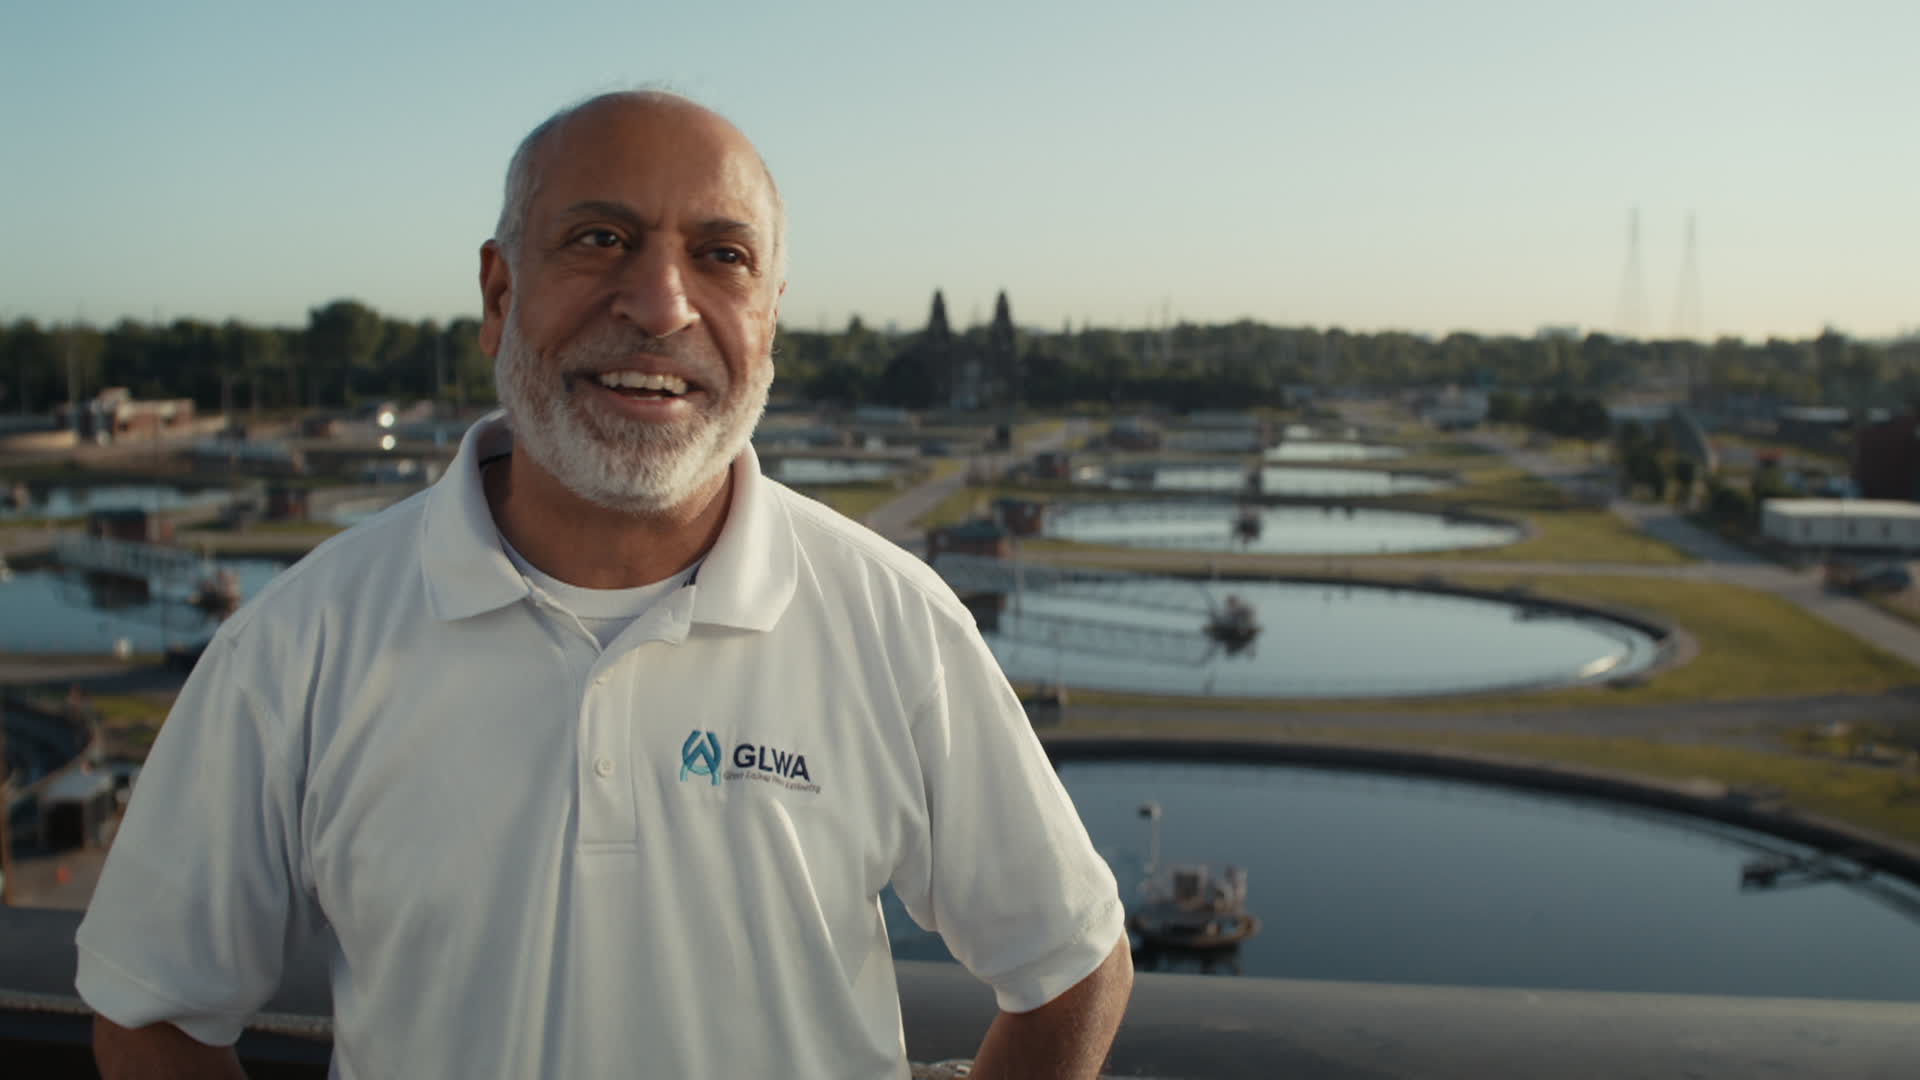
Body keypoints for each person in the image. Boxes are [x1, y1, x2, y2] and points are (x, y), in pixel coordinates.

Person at [75, 90, 1132, 1078]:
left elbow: (1075, 964)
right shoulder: (300, 642)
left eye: (721, 256)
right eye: (600, 240)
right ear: (499, 294)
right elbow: (150, 1005)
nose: (661, 305)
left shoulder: (897, 623)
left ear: (768, 322)